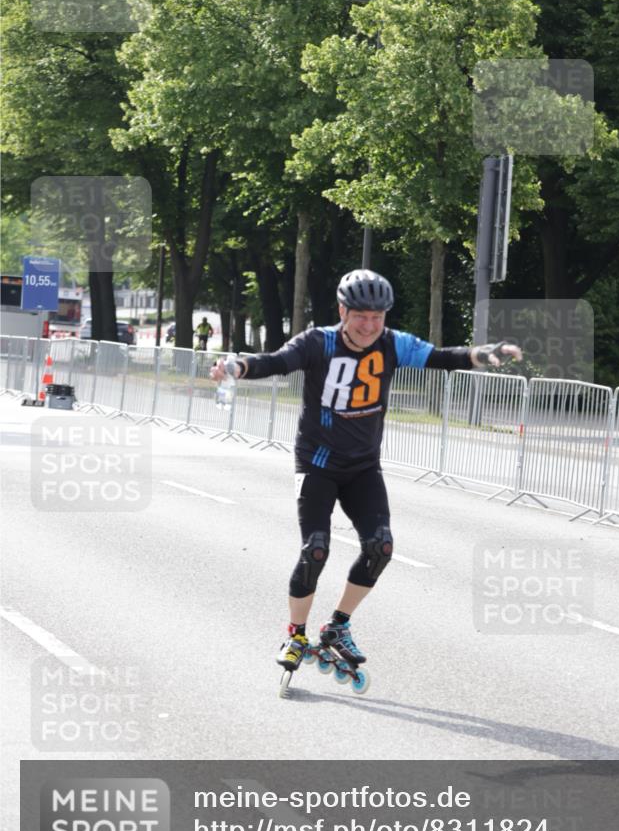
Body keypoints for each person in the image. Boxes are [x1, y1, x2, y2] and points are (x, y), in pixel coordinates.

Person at [210, 269, 522, 674]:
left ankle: (337, 626)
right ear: (343, 311)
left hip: (363, 466)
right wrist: (238, 367)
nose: (370, 325)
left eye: (377, 317)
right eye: (361, 316)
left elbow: (442, 357)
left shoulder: (393, 344)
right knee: (315, 550)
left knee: (381, 547)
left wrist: (484, 354)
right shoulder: (318, 342)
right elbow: (276, 362)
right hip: (317, 463)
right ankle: (296, 634)